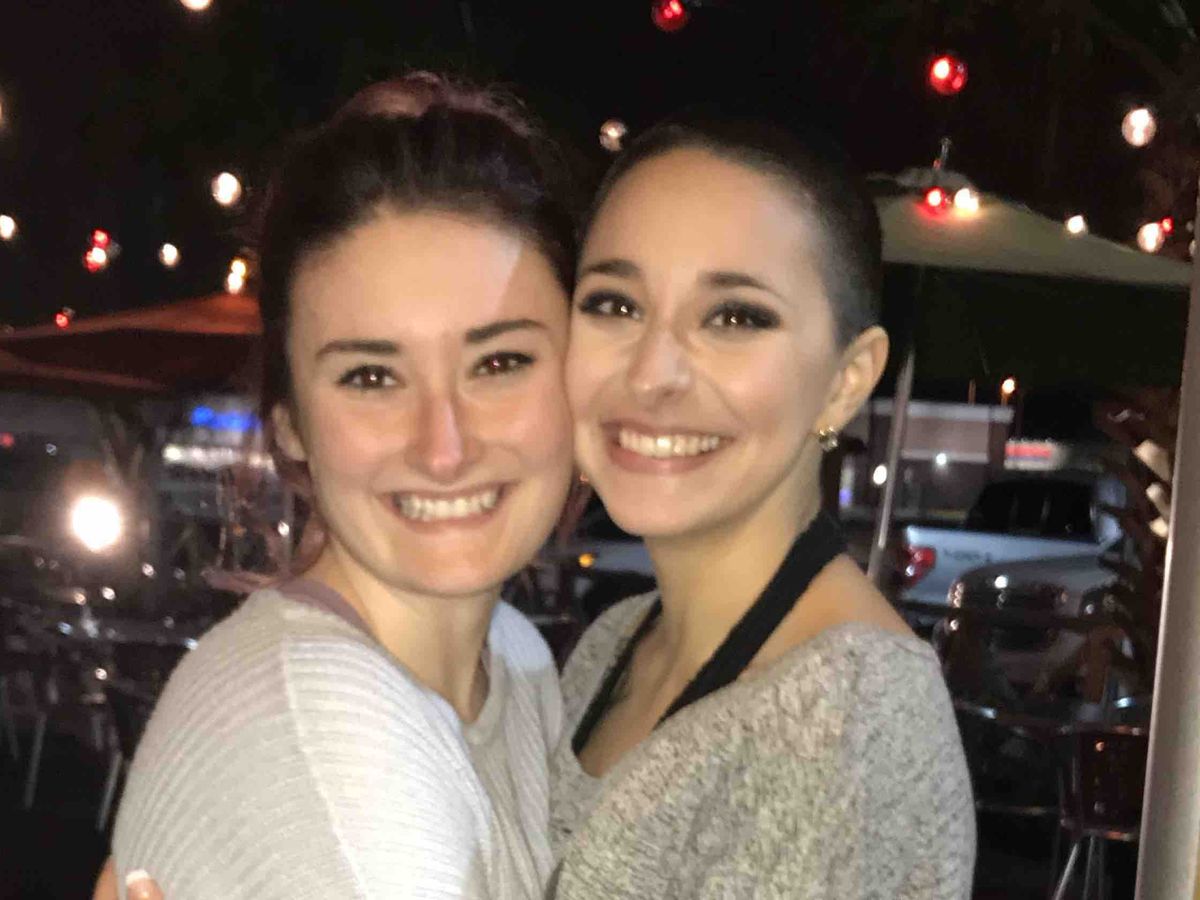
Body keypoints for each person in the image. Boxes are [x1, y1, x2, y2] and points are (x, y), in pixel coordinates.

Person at [103, 73, 578, 899]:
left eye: (499, 362)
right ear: (291, 425)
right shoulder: (335, 741)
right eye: (371, 376)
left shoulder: (516, 659)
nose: (444, 447)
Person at [548, 113, 976, 897]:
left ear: (846, 380)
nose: (652, 373)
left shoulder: (844, 721)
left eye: (736, 317)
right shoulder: (615, 640)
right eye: (614, 304)